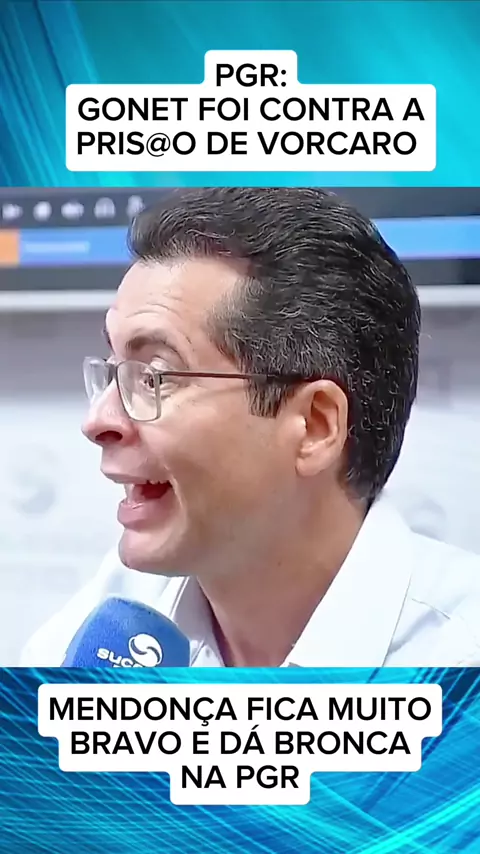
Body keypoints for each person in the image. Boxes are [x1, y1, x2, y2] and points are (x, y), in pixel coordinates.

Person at [21, 187, 480, 667]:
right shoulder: (103, 634)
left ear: (315, 425)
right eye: (114, 370)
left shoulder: (457, 665)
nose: (98, 421)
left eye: (155, 376)